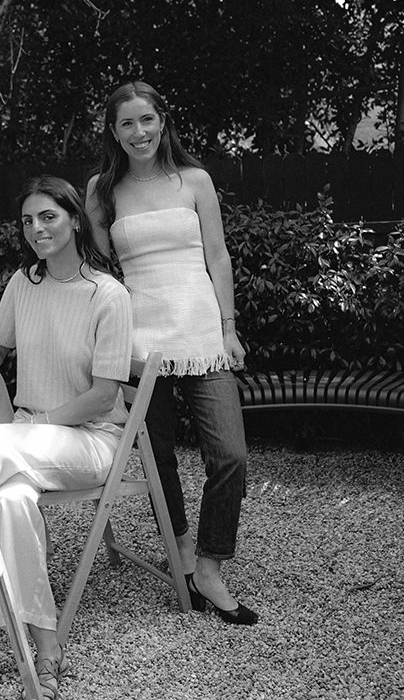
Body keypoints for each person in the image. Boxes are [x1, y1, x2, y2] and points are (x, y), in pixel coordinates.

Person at [86, 81, 258, 626]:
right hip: (141, 340)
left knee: (230, 455)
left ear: (163, 120)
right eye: (127, 123)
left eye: (147, 120)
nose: (139, 132)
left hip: (203, 335)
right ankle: (180, 546)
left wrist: (229, 329)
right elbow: (100, 271)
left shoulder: (195, 180)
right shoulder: (101, 190)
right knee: (157, 455)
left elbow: (218, 256)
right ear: (113, 132)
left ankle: (210, 566)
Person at [0, 175, 133, 699]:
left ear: (75, 220)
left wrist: (32, 425)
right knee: (10, 501)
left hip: (90, 440)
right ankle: (46, 643)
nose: (37, 228)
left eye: (48, 216)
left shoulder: (108, 295)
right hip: (28, 446)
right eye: (27, 221)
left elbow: (103, 397)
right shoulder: (23, 283)